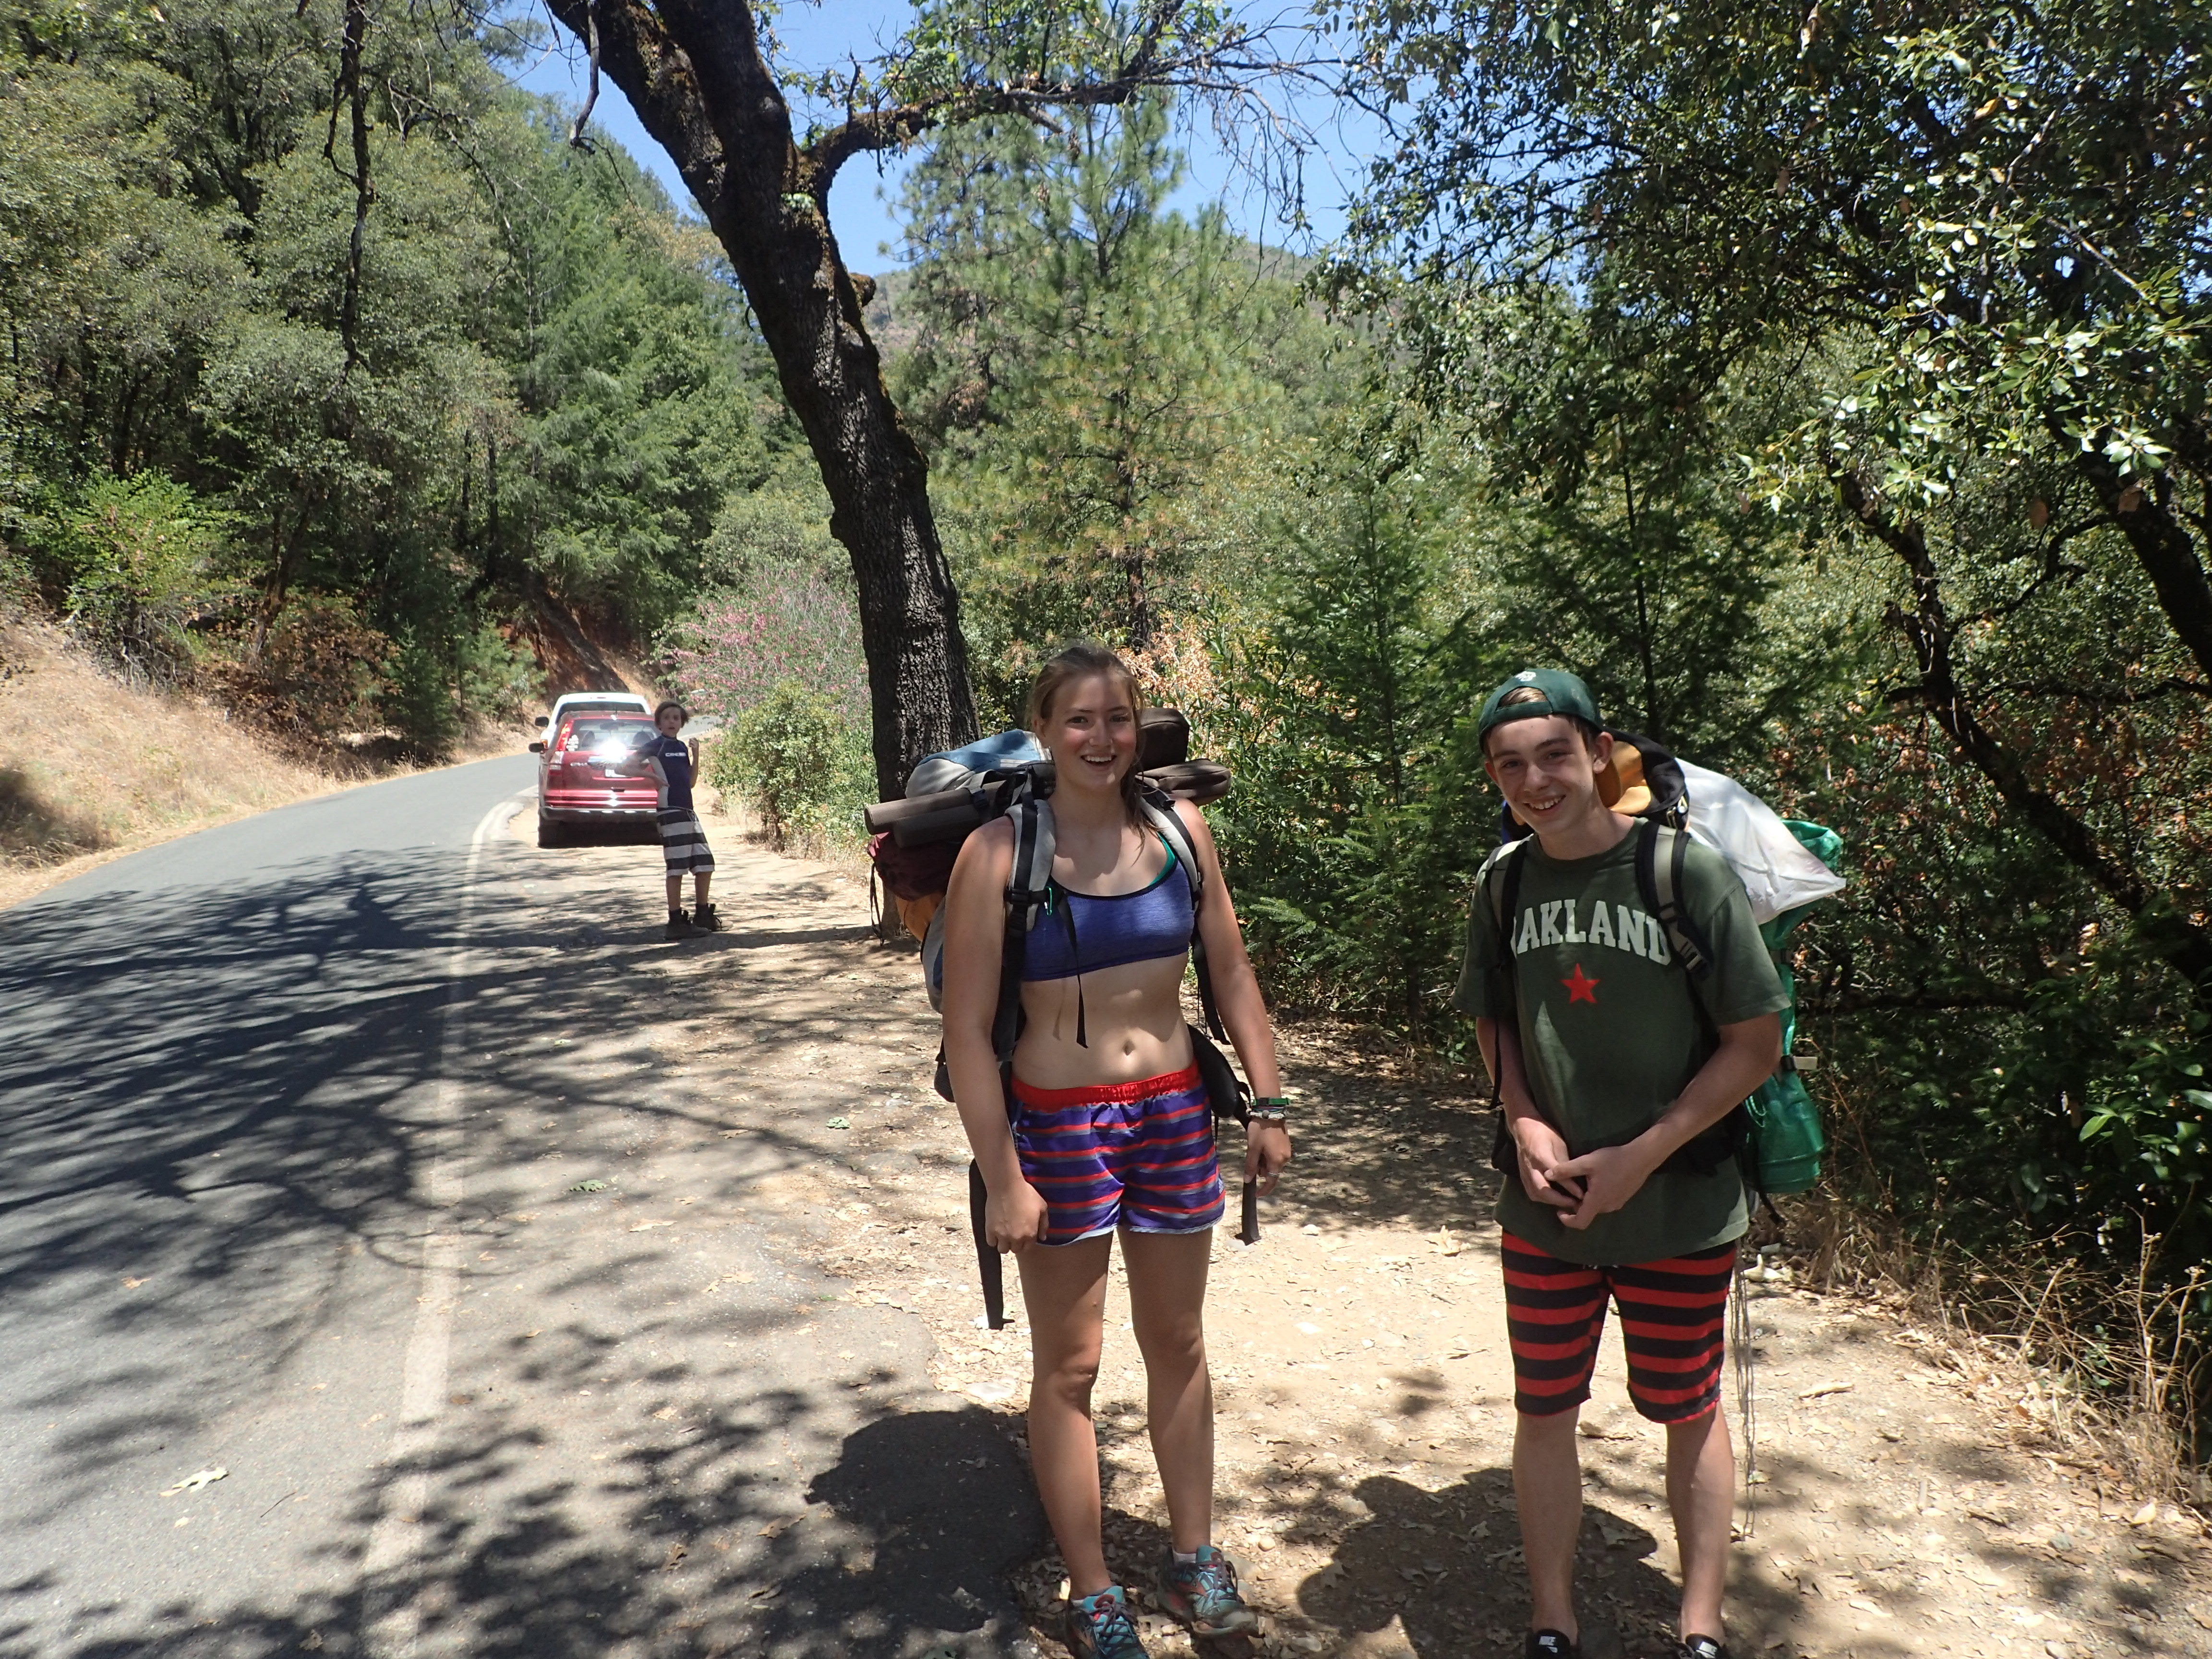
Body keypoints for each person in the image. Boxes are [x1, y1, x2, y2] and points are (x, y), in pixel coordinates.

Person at [938, 644, 1294, 1659]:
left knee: (1178, 1343)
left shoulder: (1181, 830)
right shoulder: (996, 856)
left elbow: (1231, 972)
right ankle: (1093, 1592)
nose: (1101, 738)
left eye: (1119, 719)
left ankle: (1194, 1561)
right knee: (1072, 1365)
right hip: (1058, 1126)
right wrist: (1003, 1178)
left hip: (1173, 1112)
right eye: (1080, 720)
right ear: (1045, 731)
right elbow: (966, 1033)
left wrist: (1267, 1102)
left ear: (1140, 729)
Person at [1455, 670, 1786, 1659]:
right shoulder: (1503, 883)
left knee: (1688, 1408)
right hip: (1545, 1209)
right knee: (1544, 1408)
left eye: (1554, 754)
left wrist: (1643, 1155)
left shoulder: (1683, 874)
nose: (1535, 780)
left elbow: (1755, 1042)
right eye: (1510, 765)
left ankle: (1699, 1625)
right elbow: (1493, 1017)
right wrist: (1523, 1119)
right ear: (1494, 777)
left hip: (1678, 1206)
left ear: (1599, 752)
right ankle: (1552, 1619)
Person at [621, 700, 717, 940]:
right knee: (677, 868)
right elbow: (624, 768)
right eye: (667, 718)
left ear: (682, 723)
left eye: (676, 718)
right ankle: (675, 922)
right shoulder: (656, 746)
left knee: (705, 864)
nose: (672, 722)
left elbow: (691, 782)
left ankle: (703, 916)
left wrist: (696, 754)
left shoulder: (681, 747)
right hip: (670, 810)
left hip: (688, 811)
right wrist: (651, 777)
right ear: (659, 723)